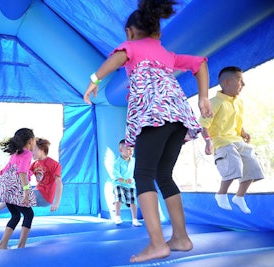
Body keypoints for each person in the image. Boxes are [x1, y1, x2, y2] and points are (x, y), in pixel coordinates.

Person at [83, 0, 212, 263]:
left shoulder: (130, 47)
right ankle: (180, 238)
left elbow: (116, 58)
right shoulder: (168, 55)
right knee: (164, 175)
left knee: (142, 174)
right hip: (178, 117)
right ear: (158, 34)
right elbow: (200, 63)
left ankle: (156, 243)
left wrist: (94, 81)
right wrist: (203, 98)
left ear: (130, 33)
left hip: (154, 116)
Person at [199, 66, 264, 214]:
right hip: (222, 141)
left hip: (237, 140)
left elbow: (235, 121)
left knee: (253, 168)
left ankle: (239, 197)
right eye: (240, 81)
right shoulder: (214, 102)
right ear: (226, 82)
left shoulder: (239, 102)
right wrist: (208, 141)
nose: (243, 84)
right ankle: (221, 194)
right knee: (234, 165)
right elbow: (203, 125)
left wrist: (243, 131)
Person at [0, 137, 63, 215]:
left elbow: (59, 183)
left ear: (42, 149)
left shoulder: (54, 164)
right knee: (14, 195)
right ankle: (2, 212)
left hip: (45, 196)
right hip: (37, 192)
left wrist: (57, 202)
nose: (31, 152)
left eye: (33, 150)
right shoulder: (35, 164)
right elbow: (23, 175)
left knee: (15, 196)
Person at [0, 128, 37, 249]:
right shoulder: (27, 154)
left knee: (16, 216)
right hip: (17, 188)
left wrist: (6, 187)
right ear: (30, 141)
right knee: (29, 215)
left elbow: (4, 170)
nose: (35, 143)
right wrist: (26, 192)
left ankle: (2, 244)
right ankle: (21, 245)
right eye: (34, 140)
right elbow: (22, 172)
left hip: (8, 188)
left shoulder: (16, 152)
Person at [112, 139, 142, 227]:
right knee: (119, 196)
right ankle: (117, 216)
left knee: (133, 200)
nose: (130, 152)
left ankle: (134, 219)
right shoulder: (117, 163)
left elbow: (137, 171)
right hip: (119, 184)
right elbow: (117, 176)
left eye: (132, 150)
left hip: (130, 184)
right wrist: (125, 180)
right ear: (121, 150)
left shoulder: (134, 161)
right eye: (128, 149)